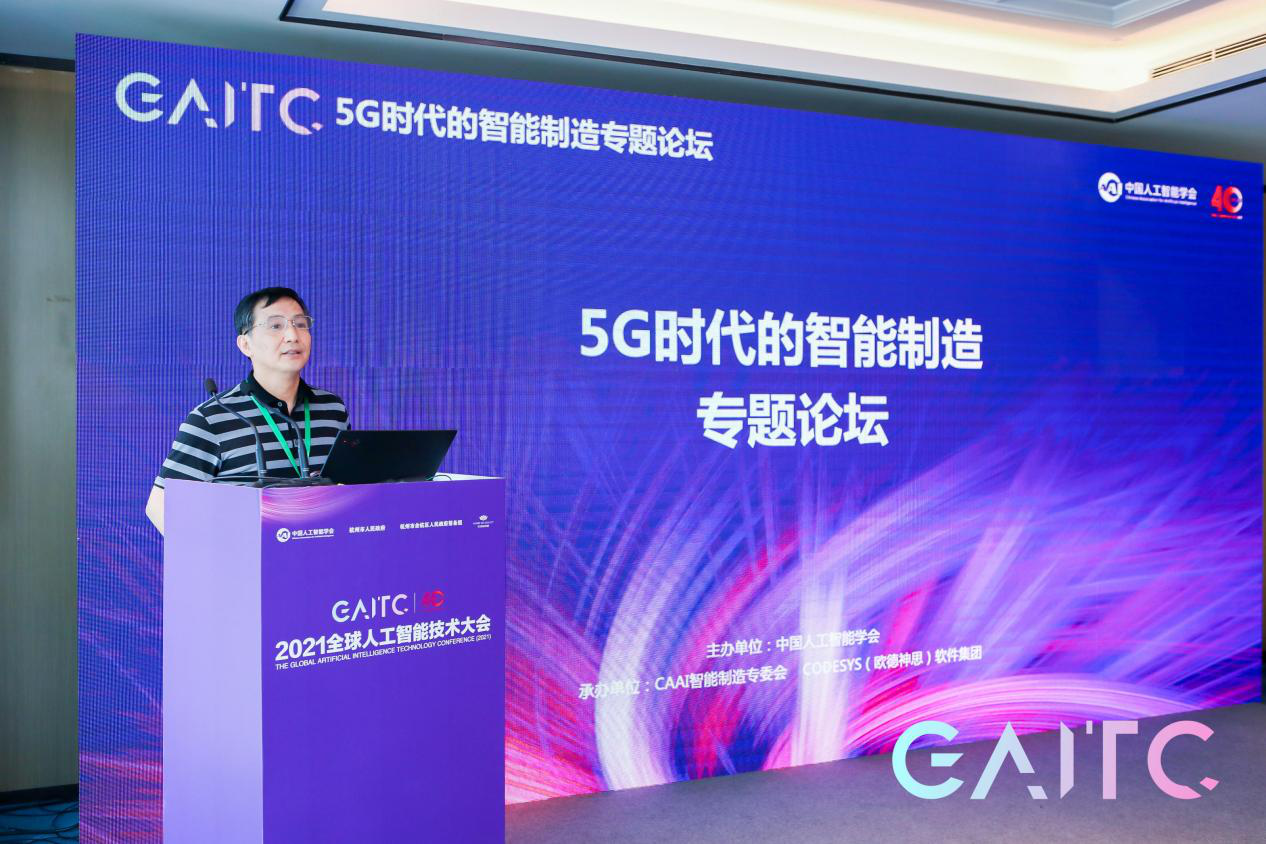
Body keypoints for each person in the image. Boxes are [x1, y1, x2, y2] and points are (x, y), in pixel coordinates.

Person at [144, 287, 348, 534]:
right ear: (245, 344)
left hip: (322, 551)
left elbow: (348, 489)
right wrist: (217, 552)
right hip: (248, 557)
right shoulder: (214, 417)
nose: (292, 335)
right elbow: (161, 505)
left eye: (300, 324)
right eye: (276, 326)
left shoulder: (333, 409)